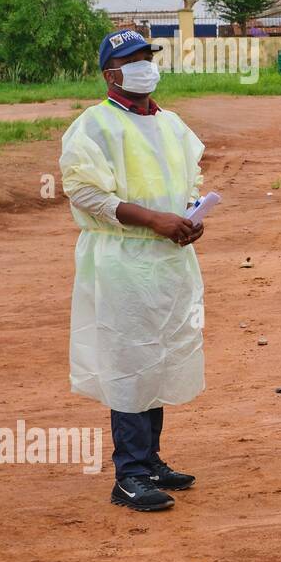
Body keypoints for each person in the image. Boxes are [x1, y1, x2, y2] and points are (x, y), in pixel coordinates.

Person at [60, 30, 207, 512]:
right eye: (132, 59)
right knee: (129, 359)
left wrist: (189, 218)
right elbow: (85, 193)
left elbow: (191, 181)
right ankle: (129, 474)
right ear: (111, 73)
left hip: (168, 260)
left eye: (148, 56)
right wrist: (154, 219)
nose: (144, 65)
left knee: (159, 355)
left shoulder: (172, 124)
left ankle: (151, 460)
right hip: (122, 259)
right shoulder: (94, 127)